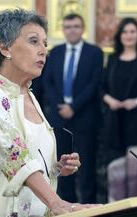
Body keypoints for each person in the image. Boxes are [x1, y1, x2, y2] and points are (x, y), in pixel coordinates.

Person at [0, 9, 90, 216]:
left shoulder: (30, 97)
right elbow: (16, 159)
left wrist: (56, 168)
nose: (43, 51)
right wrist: (60, 204)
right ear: (5, 47)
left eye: (45, 44)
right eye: (33, 41)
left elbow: (32, 158)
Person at [41, 13, 103, 203]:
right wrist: (60, 106)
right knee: (62, 164)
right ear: (63, 30)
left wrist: (73, 107)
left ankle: (89, 207)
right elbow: (48, 82)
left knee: (86, 167)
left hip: (84, 116)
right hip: (60, 117)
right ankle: (66, 206)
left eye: (76, 26)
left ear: (83, 28)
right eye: (68, 26)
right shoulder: (55, 52)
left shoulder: (94, 52)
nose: (72, 30)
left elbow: (94, 83)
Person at [102, 17, 137, 201]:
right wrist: (110, 100)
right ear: (120, 36)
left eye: (132, 31)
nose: (128, 35)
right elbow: (102, 89)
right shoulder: (112, 59)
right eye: (125, 31)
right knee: (115, 178)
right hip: (115, 125)